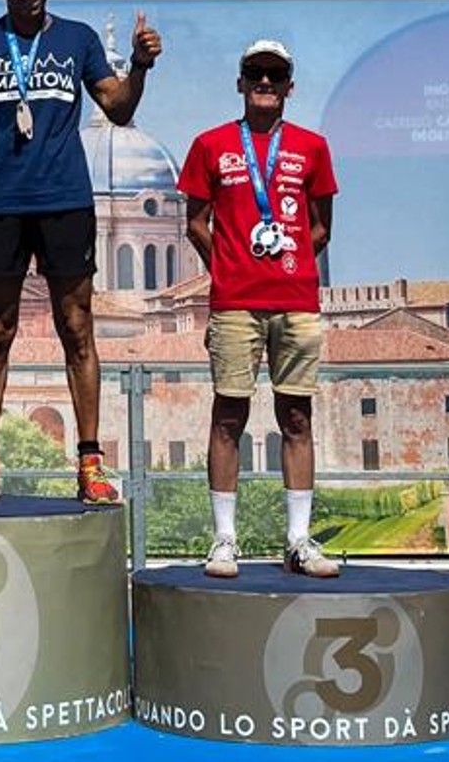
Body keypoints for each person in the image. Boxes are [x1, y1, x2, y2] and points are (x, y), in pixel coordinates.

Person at [0, 0, 161, 505]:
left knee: (77, 327)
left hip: (65, 199)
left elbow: (119, 107)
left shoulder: (77, 38)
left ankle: (89, 464)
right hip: (0, 201)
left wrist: (140, 66)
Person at [178, 39, 340, 578]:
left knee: (297, 417)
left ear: (290, 86)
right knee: (229, 416)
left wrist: (287, 263)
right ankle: (225, 540)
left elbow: (321, 228)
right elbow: (195, 223)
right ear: (240, 82)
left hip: (296, 302)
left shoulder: (313, 147)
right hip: (234, 303)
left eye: (274, 74)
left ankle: (298, 541)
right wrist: (228, 266)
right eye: (255, 72)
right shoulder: (210, 145)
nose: (264, 82)